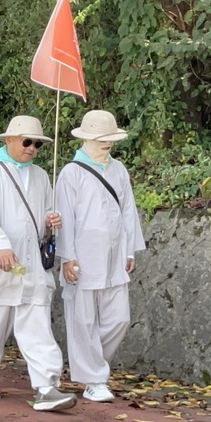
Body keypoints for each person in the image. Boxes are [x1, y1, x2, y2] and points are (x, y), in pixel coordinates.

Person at [0, 115, 75, 412]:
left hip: (30, 263)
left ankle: (46, 385)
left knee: (36, 321)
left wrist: (50, 222)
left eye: (37, 143)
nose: (31, 148)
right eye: (26, 141)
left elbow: (44, 217)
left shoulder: (41, 176)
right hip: (1, 261)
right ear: (10, 140)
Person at [55, 110, 146, 403]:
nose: (106, 144)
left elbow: (127, 211)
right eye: (101, 138)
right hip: (82, 255)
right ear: (87, 139)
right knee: (82, 320)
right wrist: (67, 257)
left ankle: (93, 367)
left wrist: (129, 249)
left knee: (119, 318)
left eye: (109, 138)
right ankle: (93, 378)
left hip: (114, 255)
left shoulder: (119, 170)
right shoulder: (71, 172)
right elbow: (65, 217)